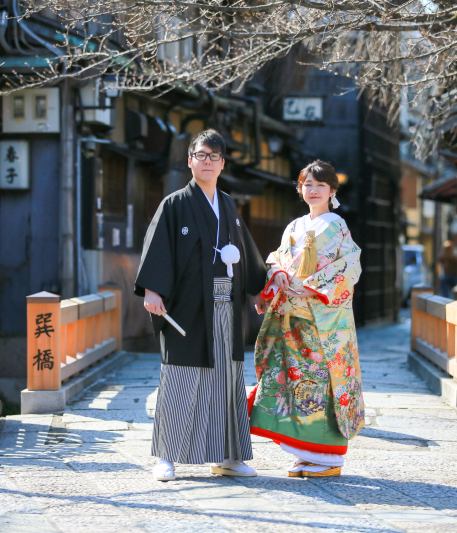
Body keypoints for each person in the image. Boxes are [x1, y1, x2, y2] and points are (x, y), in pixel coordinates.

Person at [135, 129, 268, 481]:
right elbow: (158, 247)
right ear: (190, 160)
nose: (207, 162)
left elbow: (245, 254)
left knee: (227, 380)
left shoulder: (227, 205)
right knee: (180, 378)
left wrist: (258, 289)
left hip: (225, 306)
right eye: (201, 155)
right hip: (188, 307)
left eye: (214, 156)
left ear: (223, 164)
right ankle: (166, 456)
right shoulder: (175, 204)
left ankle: (228, 456)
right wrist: (152, 288)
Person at [249, 160, 364, 478]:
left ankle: (328, 458)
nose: (313, 190)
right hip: (292, 318)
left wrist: (312, 286)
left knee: (323, 384)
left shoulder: (337, 225)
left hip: (322, 318)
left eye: (320, 185)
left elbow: (349, 265)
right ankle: (304, 453)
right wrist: (278, 274)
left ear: (332, 191)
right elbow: (275, 258)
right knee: (294, 381)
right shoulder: (294, 227)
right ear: (300, 189)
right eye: (308, 185)